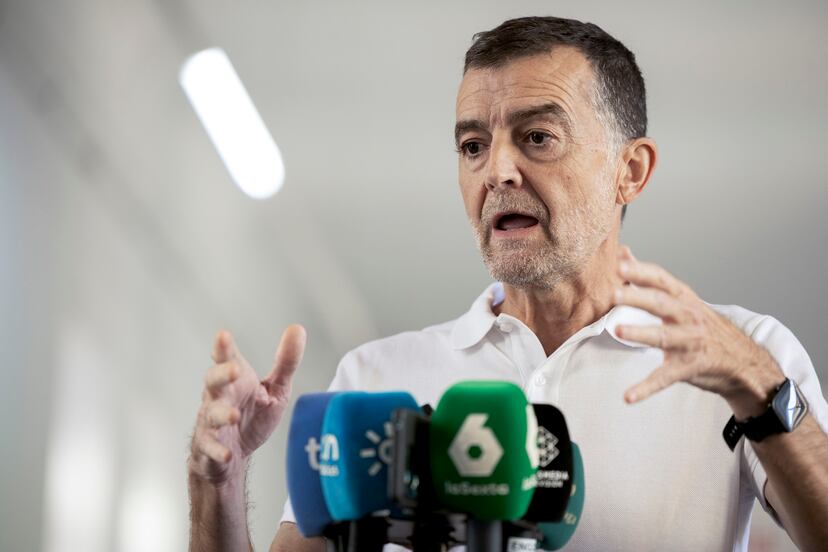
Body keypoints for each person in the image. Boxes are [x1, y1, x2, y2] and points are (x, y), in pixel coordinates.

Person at [187, 16, 828, 552]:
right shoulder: (375, 380)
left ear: (630, 171)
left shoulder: (743, 354)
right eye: (472, 146)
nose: (497, 171)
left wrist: (757, 386)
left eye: (537, 137)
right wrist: (218, 482)